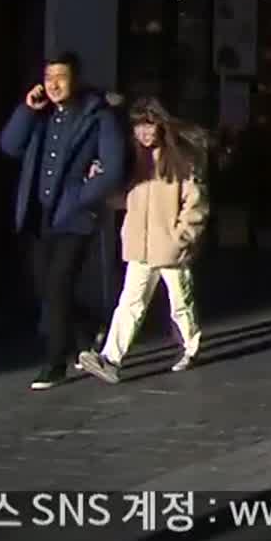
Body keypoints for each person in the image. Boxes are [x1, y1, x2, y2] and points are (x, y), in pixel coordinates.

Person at [0, 52, 128, 391]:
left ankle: (55, 364)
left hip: (76, 218)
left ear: (76, 79)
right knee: (48, 288)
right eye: (49, 77)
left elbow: (113, 168)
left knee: (58, 285)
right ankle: (86, 332)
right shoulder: (40, 114)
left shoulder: (98, 116)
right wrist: (27, 110)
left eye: (61, 77)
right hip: (38, 215)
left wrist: (83, 195)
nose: (53, 84)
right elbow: (9, 145)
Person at [78, 98, 209, 384]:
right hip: (139, 246)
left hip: (171, 248)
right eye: (139, 126)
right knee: (129, 303)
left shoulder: (180, 162)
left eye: (149, 125)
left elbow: (195, 205)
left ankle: (191, 345)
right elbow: (123, 201)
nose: (144, 132)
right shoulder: (134, 162)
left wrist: (180, 238)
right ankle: (110, 358)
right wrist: (98, 183)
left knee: (180, 302)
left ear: (161, 125)